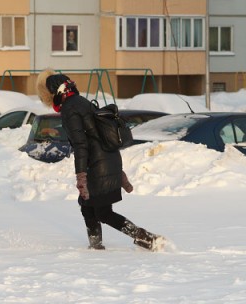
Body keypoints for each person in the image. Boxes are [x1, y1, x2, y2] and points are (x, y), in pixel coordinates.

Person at [37, 68, 164, 251]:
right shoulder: (81, 102)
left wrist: (81, 176)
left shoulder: (70, 109)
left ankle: (146, 238)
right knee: (87, 206)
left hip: (98, 165)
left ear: (56, 93)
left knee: (103, 212)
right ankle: (95, 247)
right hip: (108, 159)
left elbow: (81, 144)